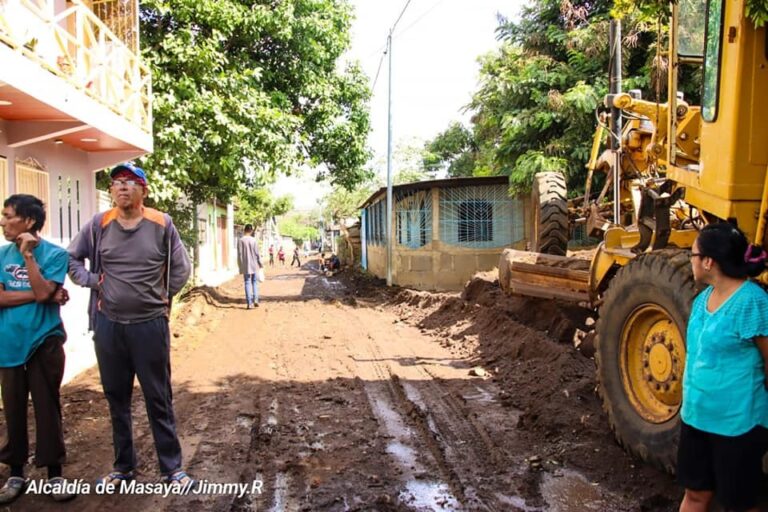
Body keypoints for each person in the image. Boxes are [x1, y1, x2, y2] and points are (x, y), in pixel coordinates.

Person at [68, 163, 195, 490]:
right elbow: (71, 258)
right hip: (109, 326)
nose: (122, 187)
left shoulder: (161, 223)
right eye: (117, 182)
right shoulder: (98, 224)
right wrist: (92, 281)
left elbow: (181, 269)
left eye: (130, 181)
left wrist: (160, 297)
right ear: (111, 191)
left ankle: (172, 469)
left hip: (149, 326)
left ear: (144, 190)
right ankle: (123, 467)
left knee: (158, 397)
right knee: (116, 399)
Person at [678, 223, 768, 512]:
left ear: (708, 261)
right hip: (696, 418)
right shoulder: (703, 299)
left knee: (739, 503)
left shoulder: (752, 302)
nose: (690, 260)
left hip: (737, 425)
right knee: (695, 494)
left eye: (693, 254)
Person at [0, 194, 75, 504]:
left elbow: (45, 292)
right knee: (13, 409)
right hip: (8, 343)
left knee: (47, 408)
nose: (2, 222)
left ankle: (55, 475)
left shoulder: (55, 254)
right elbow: (3, 298)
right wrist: (42, 294)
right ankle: (16, 473)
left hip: (45, 341)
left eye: (8, 216)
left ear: (29, 221)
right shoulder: (1, 255)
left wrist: (29, 257)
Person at [237, 224, 262, 309]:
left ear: (244, 230)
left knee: (247, 282)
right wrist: (260, 263)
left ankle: (249, 303)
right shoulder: (254, 240)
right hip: (254, 264)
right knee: (254, 282)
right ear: (251, 231)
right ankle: (256, 300)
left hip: (246, 265)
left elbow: (239, 254)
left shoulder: (240, 240)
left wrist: (240, 265)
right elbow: (257, 253)